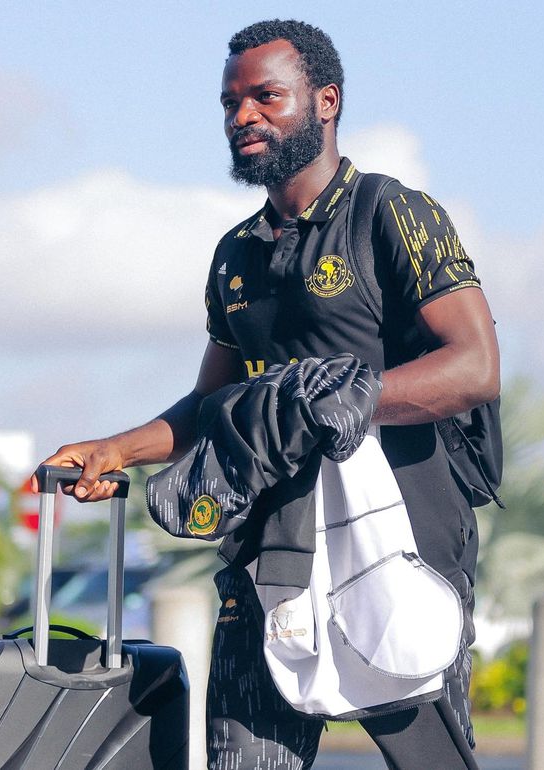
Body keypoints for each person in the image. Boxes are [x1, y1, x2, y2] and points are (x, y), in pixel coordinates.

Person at [33, 19, 499, 770]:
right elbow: (210, 406)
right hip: (272, 547)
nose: (242, 116)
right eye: (230, 103)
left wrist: (346, 400)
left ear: (326, 101)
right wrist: (115, 449)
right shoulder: (236, 254)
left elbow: (475, 367)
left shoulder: (392, 212)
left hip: (398, 543)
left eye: (265, 97)